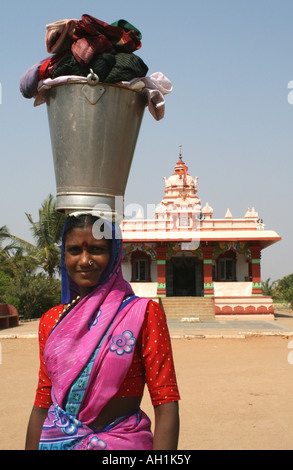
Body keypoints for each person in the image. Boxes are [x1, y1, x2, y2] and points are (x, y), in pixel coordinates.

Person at [25, 213, 180, 450]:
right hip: (57, 442)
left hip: (123, 444)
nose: (85, 260)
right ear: (63, 256)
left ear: (115, 255)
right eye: (75, 250)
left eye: (97, 249)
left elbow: (165, 401)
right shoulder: (52, 321)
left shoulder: (143, 313)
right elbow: (43, 400)